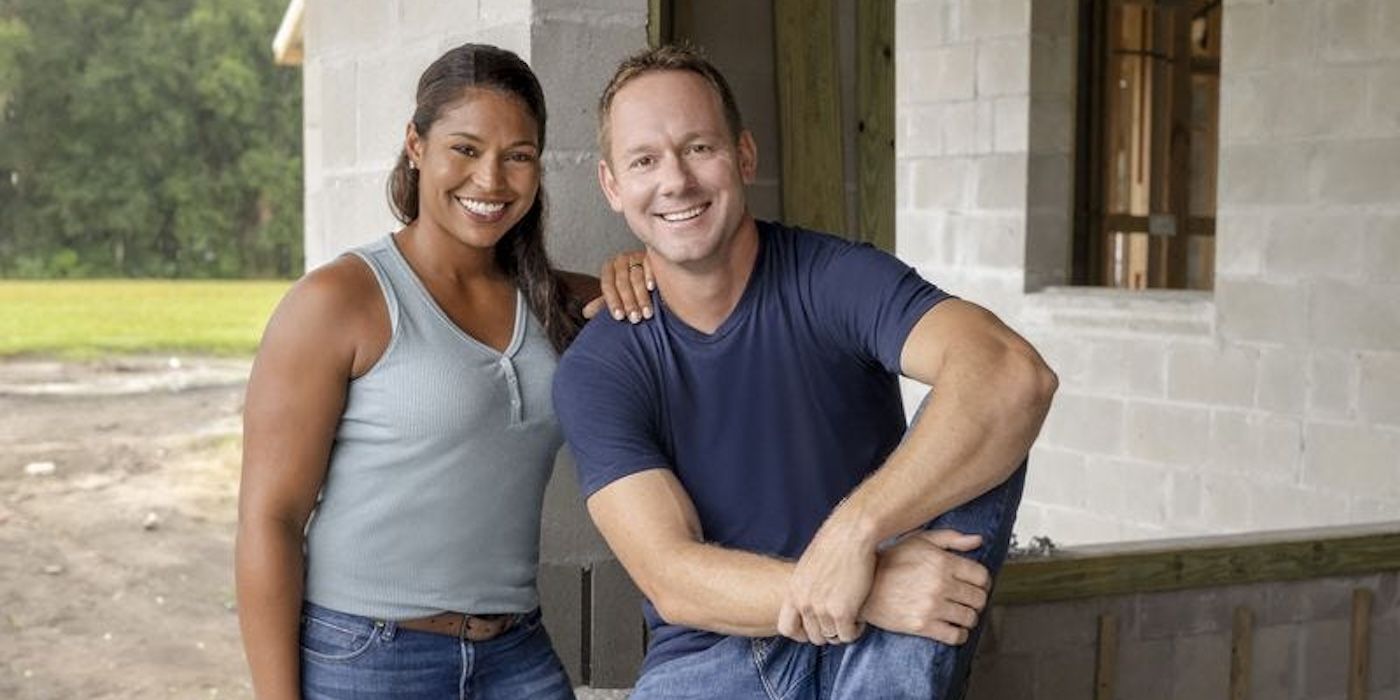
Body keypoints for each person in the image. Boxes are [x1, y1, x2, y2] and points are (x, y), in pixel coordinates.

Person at [552, 44, 1058, 699]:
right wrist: (861, 584)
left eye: (699, 147)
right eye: (645, 160)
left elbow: (1017, 374)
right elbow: (671, 576)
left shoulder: (833, 279)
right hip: (716, 663)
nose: (675, 180)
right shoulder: (602, 364)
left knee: (984, 410)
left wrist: (857, 534)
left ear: (745, 155)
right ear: (612, 185)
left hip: (878, 647)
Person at [235, 43, 648, 699]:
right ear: (416, 145)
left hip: (516, 654)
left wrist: (641, 271)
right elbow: (270, 520)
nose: (490, 180)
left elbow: (684, 319)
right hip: (367, 656)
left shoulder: (557, 300)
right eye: (465, 148)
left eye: (517, 156)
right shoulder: (338, 301)